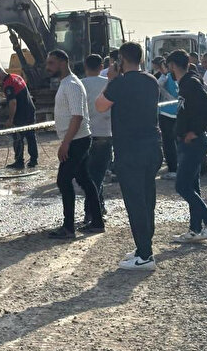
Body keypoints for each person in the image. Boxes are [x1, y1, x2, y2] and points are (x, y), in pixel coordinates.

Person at [96, 42, 162, 271]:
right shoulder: (151, 80)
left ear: (121, 60)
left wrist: (111, 80)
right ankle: (145, 246)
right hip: (152, 146)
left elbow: (100, 106)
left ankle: (145, 255)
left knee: (135, 202)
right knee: (147, 199)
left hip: (130, 150)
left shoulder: (119, 83)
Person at [163, 50, 207, 244]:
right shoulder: (187, 82)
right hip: (188, 142)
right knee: (192, 186)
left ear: (173, 65)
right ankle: (195, 229)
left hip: (193, 143)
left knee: (182, 186)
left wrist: (196, 131)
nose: (168, 70)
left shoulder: (190, 83)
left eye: (169, 66)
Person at [45, 49, 104, 239]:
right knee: (85, 180)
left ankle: (69, 227)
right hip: (77, 139)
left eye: (52, 63)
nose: (48, 67)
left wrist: (66, 143)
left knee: (63, 181)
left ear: (63, 62)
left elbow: (77, 116)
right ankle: (97, 222)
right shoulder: (67, 83)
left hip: (77, 140)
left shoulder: (71, 85)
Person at [80, 54, 111, 223]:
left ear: (85, 66)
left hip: (85, 135)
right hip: (105, 133)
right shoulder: (109, 83)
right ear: (101, 67)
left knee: (91, 174)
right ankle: (91, 210)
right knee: (98, 175)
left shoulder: (79, 85)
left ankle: (98, 206)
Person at [0, 66, 38, 168]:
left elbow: (13, 102)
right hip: (30, 110)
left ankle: (19, 161)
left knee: (17, 137)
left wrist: (10, 119)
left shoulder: (8, 84)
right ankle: (34, 160)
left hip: (21, 114)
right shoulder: (16, 77)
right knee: (31, 136)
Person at [155, 57, 180, 179]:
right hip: (175, 112)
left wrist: (164, 74)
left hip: (168, 113)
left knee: (169, 143)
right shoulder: (178, 76)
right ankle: (176, 166)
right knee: (174, 142)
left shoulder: (168, 77)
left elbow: (157, 86)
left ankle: (173, 169)